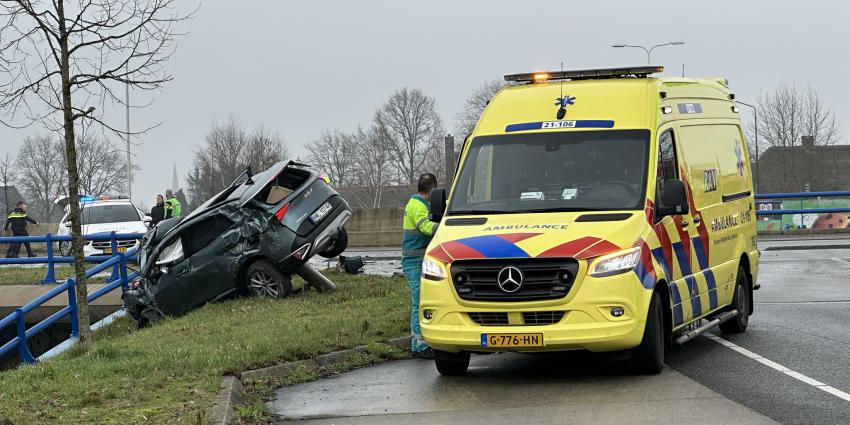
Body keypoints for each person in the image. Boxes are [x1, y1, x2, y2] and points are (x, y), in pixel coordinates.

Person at [402, 173, 440, 359]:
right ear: (433, 188)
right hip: (414, 261)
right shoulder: (417, 206)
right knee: (418, 302)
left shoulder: (418, 203)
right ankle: (418, 345)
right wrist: (444, 227)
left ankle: (420, 342)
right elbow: (426, 228)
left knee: (421, 301)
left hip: (418, 260)